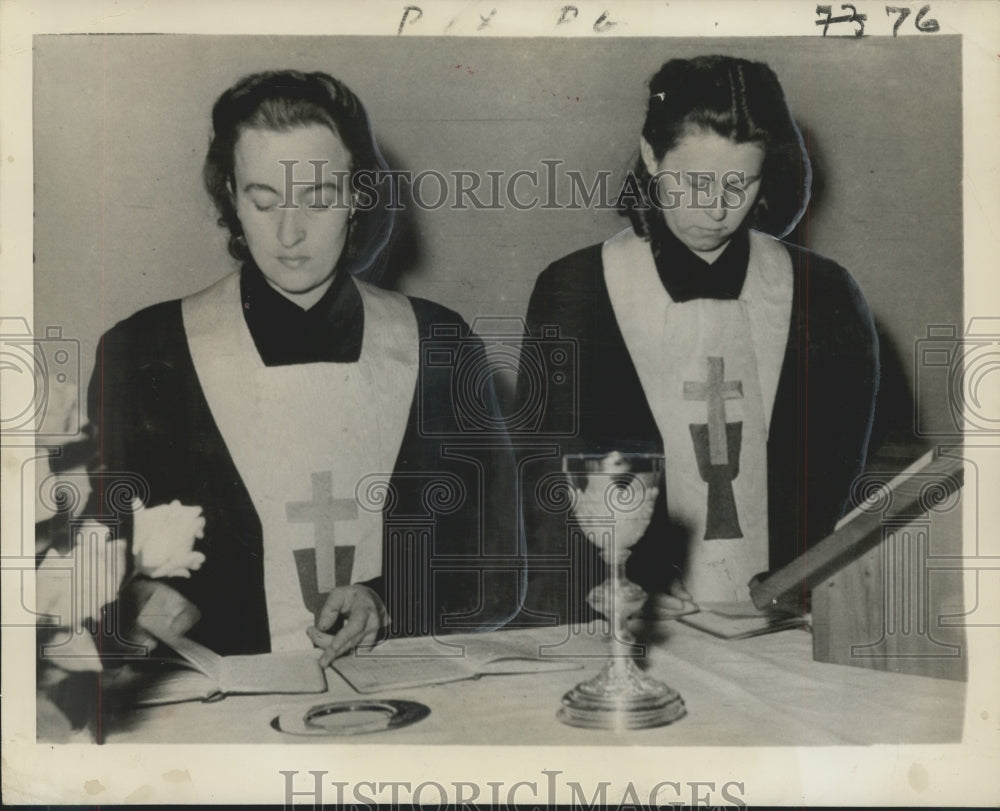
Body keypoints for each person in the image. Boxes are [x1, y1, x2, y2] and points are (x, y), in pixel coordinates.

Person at [88, 70, 521, 662]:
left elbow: (494, 570)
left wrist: (385, 600)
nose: (290, 232)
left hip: (406, 694)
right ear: (231, 200)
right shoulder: (143, 353)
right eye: (262, 200)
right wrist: (130, 599)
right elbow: (90, 562)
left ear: (357, 200)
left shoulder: (441, 342)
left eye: (319, 198)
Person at [517, 55, 879, 624]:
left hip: (791, 618)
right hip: (627, 614)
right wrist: (621, 580)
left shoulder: (825, 294)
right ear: (650, 155)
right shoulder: (574, 289)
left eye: (740, 182)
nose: (717, 208)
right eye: (695, 181)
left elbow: (844, 485)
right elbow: (547, 480)